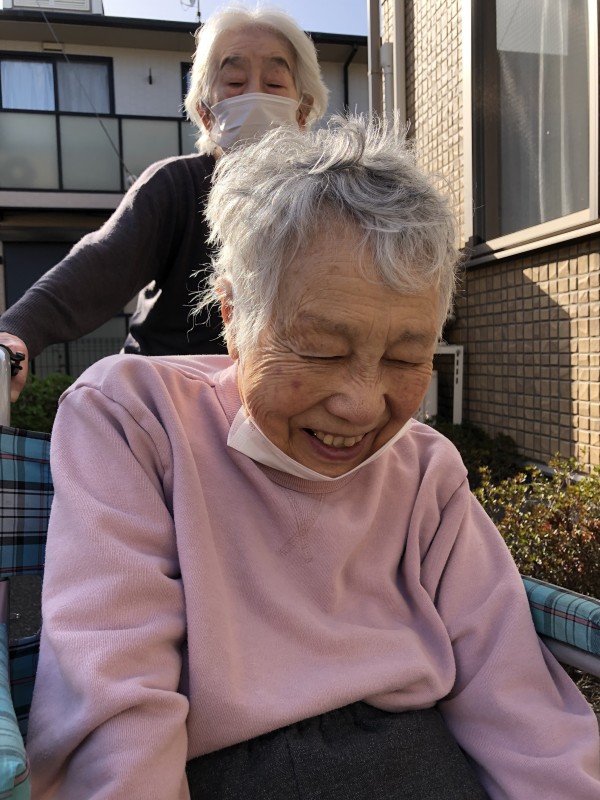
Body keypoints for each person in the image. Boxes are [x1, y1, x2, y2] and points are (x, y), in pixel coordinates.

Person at [27, 115, 600, 800]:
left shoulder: (425, 470)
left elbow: (517, 701)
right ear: (233, 315)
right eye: (321, 351)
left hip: (419, 763)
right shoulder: (134, 419)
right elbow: (115, 696)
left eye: (406, 358)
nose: (361, 405)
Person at [0, 4, 328, 401]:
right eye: (235, 81)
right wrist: (16, 330)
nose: (255, 95)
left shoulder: (327, 203)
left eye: (274, 83)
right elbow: (101, 262)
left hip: (273, 408)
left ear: (302, 110)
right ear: (206, 113)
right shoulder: (175, 185)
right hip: (157, 403)